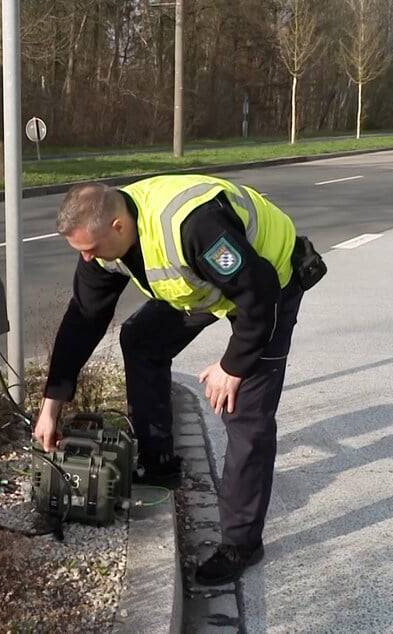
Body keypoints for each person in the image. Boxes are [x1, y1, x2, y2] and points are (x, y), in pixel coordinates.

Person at [32, 173, 325, 586]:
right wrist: (51, 404)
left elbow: (257, 295)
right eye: (80, 250)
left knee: (244, 413)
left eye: (91, 248)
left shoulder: (191, 225)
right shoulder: (103, 246)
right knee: (141, 340)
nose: (86, 259)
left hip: (269, 282)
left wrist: (232, 366)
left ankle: (241, 543)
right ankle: (160, 463)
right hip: (206, 284)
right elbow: (83, 319)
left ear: (118, 226)